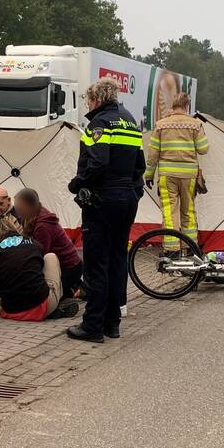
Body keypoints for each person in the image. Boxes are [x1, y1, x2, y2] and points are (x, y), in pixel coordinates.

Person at [66, 78, 146, 343]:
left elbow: (98, 162)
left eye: (89, 100)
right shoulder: (131, 122)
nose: (89, 105)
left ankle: (93, 326)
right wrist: (132, 192)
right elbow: (139, 166)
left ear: (97, 99)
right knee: (116, 260)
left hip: (102, 200)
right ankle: (113, 322)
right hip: (127, 199)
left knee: (97, 263)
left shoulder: (99, 123)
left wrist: (77, 184)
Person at [144, 92, 209, 253]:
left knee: (169, 211)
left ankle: (171, 250)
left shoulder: (161, 125)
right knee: (188, 211)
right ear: (187, 106)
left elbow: (153, 155)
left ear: (172, 105)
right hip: (189, 176)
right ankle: (190, 248)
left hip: (167, 176)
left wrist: (149, 175)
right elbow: (203, 149)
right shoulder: (195, 124)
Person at [0, 233, 78, 321]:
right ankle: (58, 303)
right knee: (50, 257)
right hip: (41, 308)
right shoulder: (36, 245)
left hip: (11, 312)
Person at [13, 188, 84, 298]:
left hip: (69, 268)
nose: (17, 211)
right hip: (61, 266)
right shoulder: (31, 216)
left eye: (19, 208)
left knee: (42, 296)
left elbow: (40, 256)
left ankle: (74, 291)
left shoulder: (43, 226)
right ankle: (70, 289)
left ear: (29, 206)